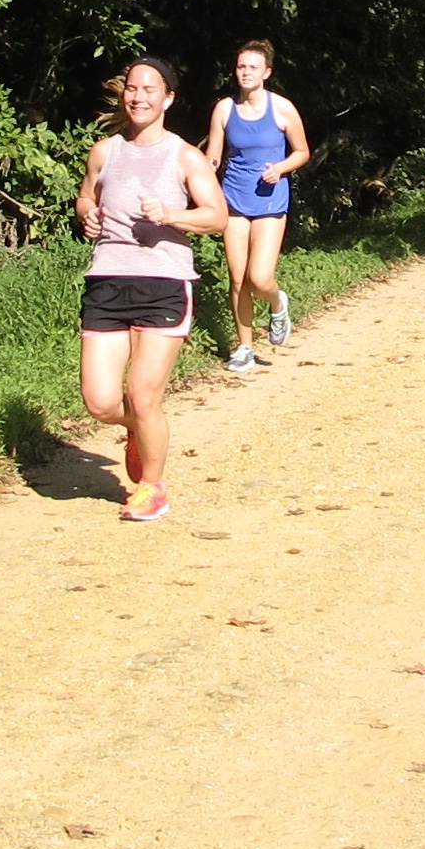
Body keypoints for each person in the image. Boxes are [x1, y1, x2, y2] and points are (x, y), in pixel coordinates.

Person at [76, 55, 229, 521]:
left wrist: (171, 216)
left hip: (164, 282)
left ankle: (152, 487)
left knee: (145, 395)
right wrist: (86, 212)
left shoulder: (184, 156)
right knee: (101, 402)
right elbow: (87, 193)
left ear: (168, 99)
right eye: (132, 88)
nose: (139, 97)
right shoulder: (105, 151)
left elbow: (217, 215)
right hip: (107, 278)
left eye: (149, 89)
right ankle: (141, 430)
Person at [202, 39, 310, 373]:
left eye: (252, 67)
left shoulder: (282, 109)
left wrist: (280, 168)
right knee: (238, 280)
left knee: (260, 278)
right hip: (233, 200)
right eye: (240, 66)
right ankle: (244, 347)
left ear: (266, 72)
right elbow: (215, 155)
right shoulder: (224, 109)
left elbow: (302, 152)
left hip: (269, 200)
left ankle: (278, 304)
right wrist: (201, 167)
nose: (245, 72)